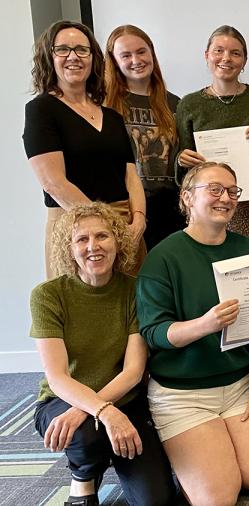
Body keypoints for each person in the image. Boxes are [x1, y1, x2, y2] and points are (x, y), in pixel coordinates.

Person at [137, 162, 249, 503]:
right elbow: (154, 333)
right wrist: (207, 324)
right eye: (214, 189)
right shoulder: (162, 258)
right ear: (187, 197)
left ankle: (219, 448)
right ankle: (189, 457)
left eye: (233, 191)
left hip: (239, 386)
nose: (226, 198)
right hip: (183, 394)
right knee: (219, 498)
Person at [31, 202, 176, 506]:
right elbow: (57, 377)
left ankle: (100, 449)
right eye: (81, 239)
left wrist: (105, 410)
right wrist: (103, 412)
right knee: (84, 434)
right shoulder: (47, 295)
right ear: (69, 248)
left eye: (102, 236)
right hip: (64, 402)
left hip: (124, 399)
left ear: (117, 241)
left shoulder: (135, 290)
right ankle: (84, 476)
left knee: (157, 500)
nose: (93, 247)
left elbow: (133, 371)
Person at [24, 20, 146, 278]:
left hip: (126, 227)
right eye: (63, 49)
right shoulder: (42, 110)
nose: (73, 57)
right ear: (50, 55)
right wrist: (103, 227)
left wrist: (139, 220)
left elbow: (131, 176)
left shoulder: (112, 117)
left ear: (93, 58)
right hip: (75, 228)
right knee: (80, 312)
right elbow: (53, 182)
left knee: (134, 309)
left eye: (82, 50)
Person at [175, 25, 249, 242]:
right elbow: (183, 173)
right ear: (207, 55)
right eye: (219, 50)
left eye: (235, 53)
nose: (226, 58)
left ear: (244, 61)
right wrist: (181, 160)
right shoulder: (189, 105)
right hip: (211, 207)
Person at [105, 25, 182, 250]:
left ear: (152, 53)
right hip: (124, 207)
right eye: (126, 55)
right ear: (114, 61)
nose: (136, 60)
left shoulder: (175, 104)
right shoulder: (104, 106)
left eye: (141, 51)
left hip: (170, 208)